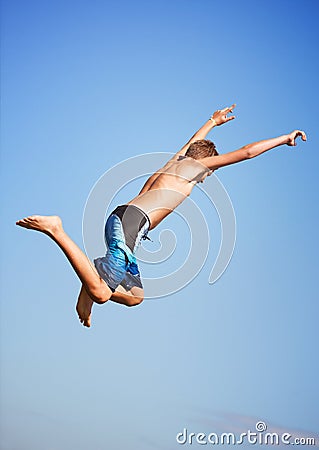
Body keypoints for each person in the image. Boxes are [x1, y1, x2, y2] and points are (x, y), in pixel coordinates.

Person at [16, 105, 307, 327]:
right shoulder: (194, 169)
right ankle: (56, 231)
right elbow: (245, 153)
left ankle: (91, 280)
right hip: (129, 225)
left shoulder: (177, 162)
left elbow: (192, 141)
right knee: (103, 294)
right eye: (210, 169)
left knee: (135, 297)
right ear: (205, 163)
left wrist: (212, 122)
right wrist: (284, 138)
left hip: (125, 223)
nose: (208, 176)